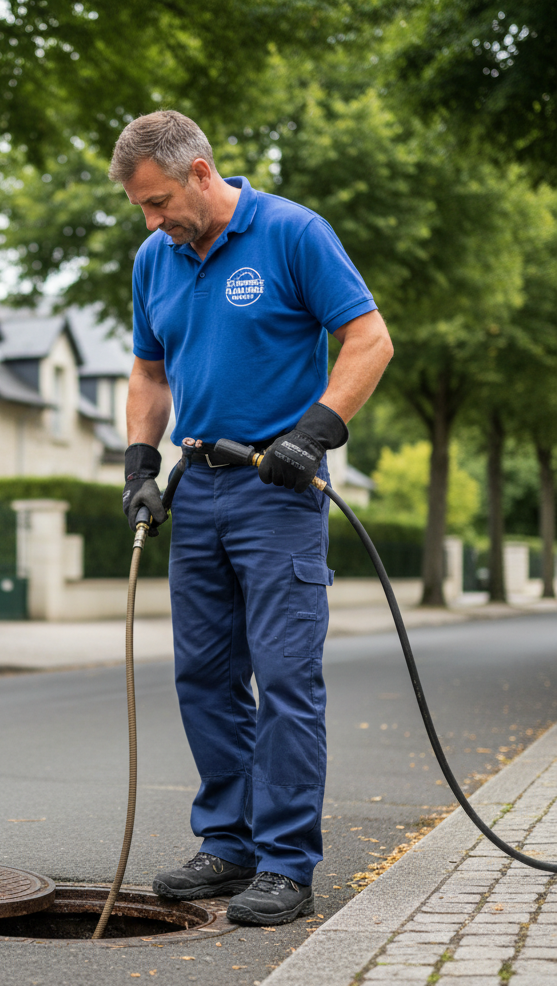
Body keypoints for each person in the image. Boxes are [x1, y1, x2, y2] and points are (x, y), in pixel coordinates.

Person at [113, 110, 393, 926]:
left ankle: (285, 863)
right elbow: (148, 368)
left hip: (278, 492)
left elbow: (368, 340)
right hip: (196, 492)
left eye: (160, 201)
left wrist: (313, 434)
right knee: (203, 675)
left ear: (201, 172)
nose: (152, 220)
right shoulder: (153, 259)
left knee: (285, 678)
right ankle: (228, 845)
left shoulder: (293, 233)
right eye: (141, 208)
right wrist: (139, 462)